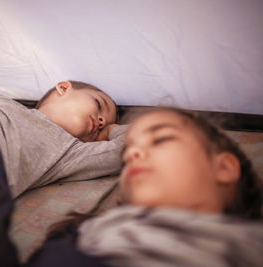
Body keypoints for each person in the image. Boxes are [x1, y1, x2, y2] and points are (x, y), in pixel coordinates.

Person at [28, 107, 263, 267]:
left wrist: (110, 129)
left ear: (223, 167)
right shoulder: (75, 235)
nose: (131, 153)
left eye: (161, 139)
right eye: (129, 149)